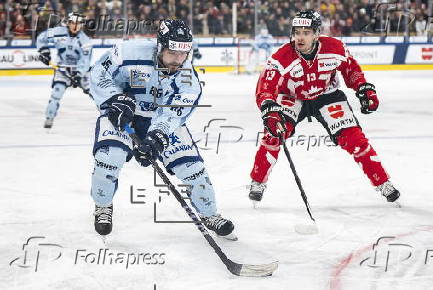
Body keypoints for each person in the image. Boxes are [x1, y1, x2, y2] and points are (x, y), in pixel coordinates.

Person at [89, 19, 235, 240]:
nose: (178, 59)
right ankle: (102, 205)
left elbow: (174, 113)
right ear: (160, 46)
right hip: (122, 114)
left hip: (159, 120)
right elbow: (98, 73)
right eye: (173, 52)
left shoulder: (188, 78)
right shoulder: (128, 52)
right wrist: (113, 98)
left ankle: (209, 214)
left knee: (191, 167)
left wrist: (157, 136)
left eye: (183, 53)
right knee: (109, 158)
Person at [248, 10, 400, 205]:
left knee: (354, 138)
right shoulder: (282, 56)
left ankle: (383, 182)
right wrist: (268, 106)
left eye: (306, 32)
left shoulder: (335, 48)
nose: (300, 37)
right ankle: (258, 181)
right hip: (292, 97)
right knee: (274, 134)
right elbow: (265, 86)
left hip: (326, 95)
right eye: (297, 32)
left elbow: (351, 70)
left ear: (317, 33)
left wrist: (363, 88)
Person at [36, 12, 92, 129]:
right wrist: (44, 51)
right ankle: (49, 118)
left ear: (82, 25)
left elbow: (85, 61)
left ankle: (109, 114)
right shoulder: (57, 32)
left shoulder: (85, 41)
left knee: (94, 93)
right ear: (68, 23)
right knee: (56, 94)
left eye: (78, 23)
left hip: (80, 72)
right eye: (73, 23)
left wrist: (78, 75)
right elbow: (41, 38)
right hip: (62, 70)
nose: (75, 26)